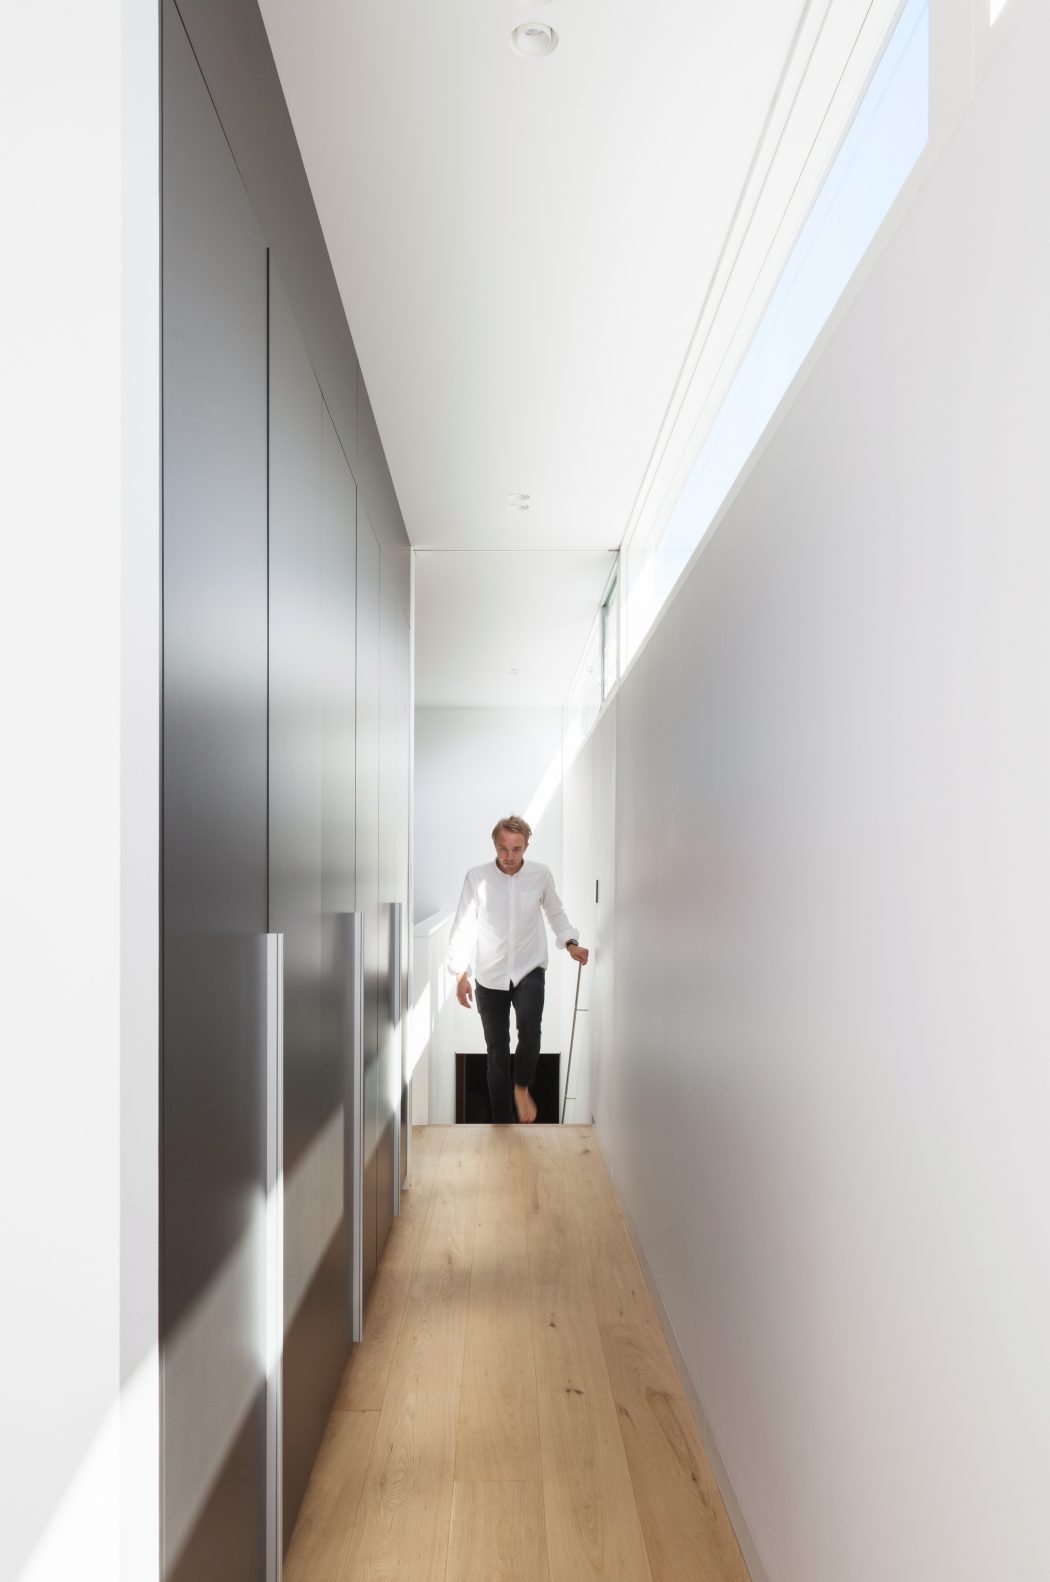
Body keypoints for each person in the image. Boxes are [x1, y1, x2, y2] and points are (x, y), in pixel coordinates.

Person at [448, 815, 589, 1123]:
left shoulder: (540, 875)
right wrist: (460, 973)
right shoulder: (477, 877)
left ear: (526, 846)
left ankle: (522, 1087)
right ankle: (502, 1122)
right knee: (497, 1052)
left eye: (516, 849)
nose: (509, 856)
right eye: (503, 848)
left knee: (530, 1029)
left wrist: (571, 943)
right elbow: (463, 925)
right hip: (490, 975)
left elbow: (556, 913)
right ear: (494, 845)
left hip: (529, 968)